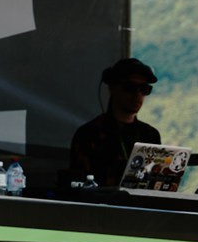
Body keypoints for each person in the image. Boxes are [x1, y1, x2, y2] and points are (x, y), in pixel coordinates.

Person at [66, 57, 164, 187]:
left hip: (139, 206)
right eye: (130, 87)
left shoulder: (150, 135)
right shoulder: (88, 134)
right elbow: (79, 186)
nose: (137, 94)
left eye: (144, 89)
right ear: (112, 88)